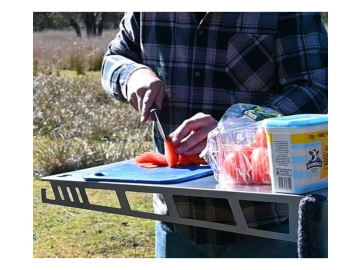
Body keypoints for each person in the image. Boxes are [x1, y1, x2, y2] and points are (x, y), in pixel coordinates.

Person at [101, 11, 329, 259]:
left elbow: (315, 86)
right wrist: (131, 75)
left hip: (270, 226)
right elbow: (114, 58)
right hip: (176, 223)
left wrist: (234, 131)